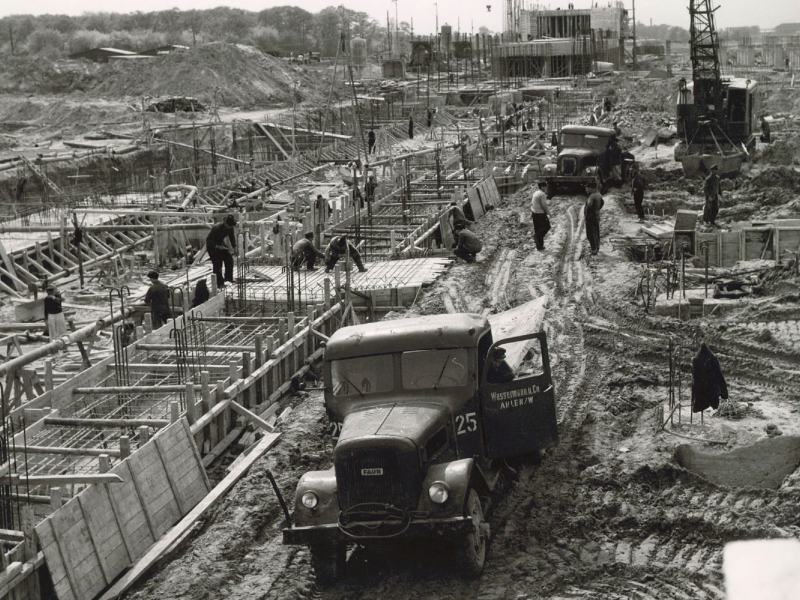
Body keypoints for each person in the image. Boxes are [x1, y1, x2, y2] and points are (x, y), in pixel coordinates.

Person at [692, 343, 728, 413]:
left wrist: (724, 394)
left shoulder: (711, 360)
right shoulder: (699, 361)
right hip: (706, 388)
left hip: (711, 387)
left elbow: (719, 375)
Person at [206, 214, 237, 288]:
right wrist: (217, 246)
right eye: (230, 226)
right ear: (225, 223)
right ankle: (219, 283)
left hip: (220, 244)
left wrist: (234, 247)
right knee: (218, 264)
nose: (231, 227)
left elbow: (232, 237)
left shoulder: (230, 227)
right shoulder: (216, 228)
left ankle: (228, 278)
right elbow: (208, 241)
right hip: (212, 247)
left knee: (229, 259)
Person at [531, 180, 552, 251]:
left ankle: (539, 246)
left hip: (534, 213)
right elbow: (544, 205)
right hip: (540, 214)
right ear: (542, 187)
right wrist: (548, 213)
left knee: (538, 229)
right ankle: (536, 236)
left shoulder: (536, 193)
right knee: (547, 227)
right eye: (545, 187)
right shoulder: (542, 194)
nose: (546, 188)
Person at [584, 181, 604, 255]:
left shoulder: (592, 196)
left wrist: (587, 213)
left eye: (587, 188)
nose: (586, 189)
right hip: (596, 216)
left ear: (591, 188)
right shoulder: (598, 194)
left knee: (590, 233)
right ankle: (597, 247)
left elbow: (589, 205)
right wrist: (597, 210)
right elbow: (602, 203)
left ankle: (594, 249)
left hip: (591, 217)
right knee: (596, 232)